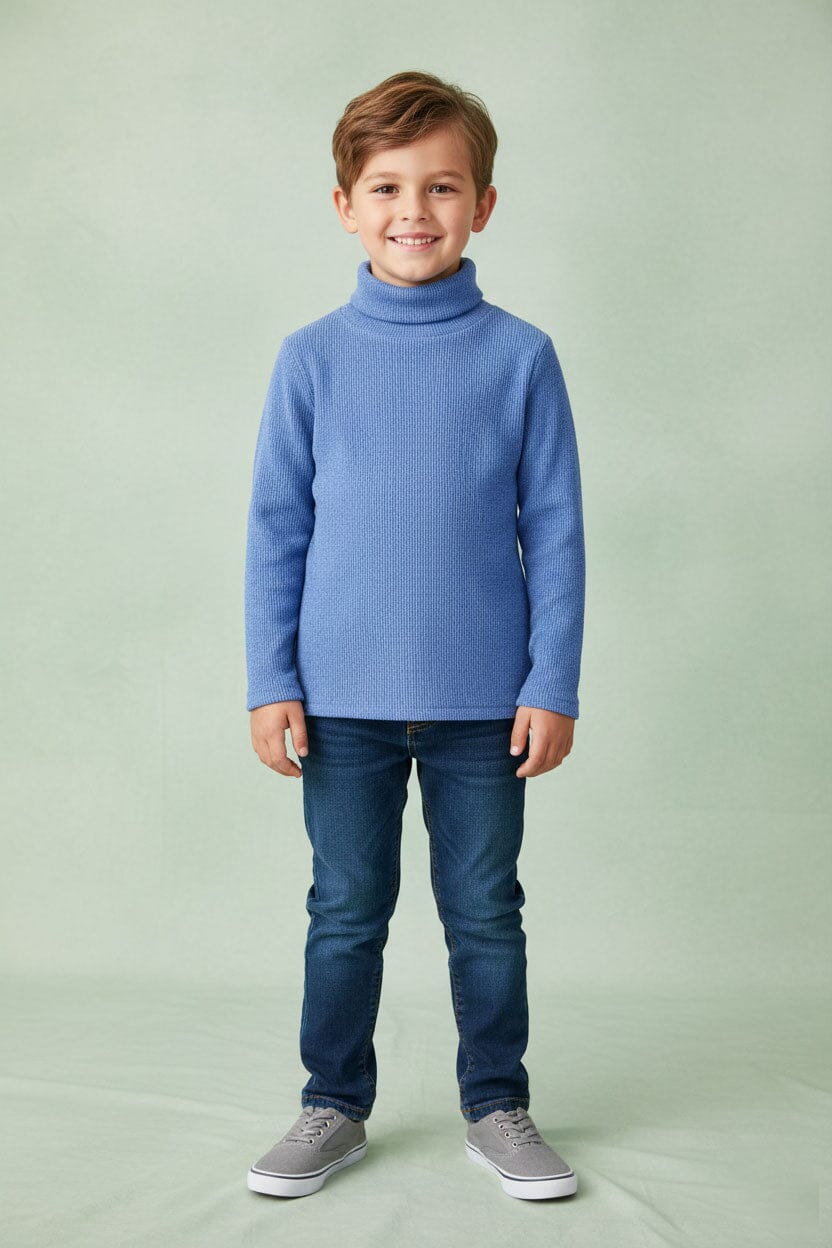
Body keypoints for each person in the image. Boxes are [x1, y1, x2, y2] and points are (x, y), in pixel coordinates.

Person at [244, 69, 585, 1202]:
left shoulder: (520, 356)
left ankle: (497, 1104)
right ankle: (332, 1103)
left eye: (441, 187)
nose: (413, 211)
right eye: (387, 187)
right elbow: (277, 529)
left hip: (486, 705)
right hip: (337, 703)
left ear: (482, 204)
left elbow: (558, 532)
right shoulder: (310, 358)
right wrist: (270, 680)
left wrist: (552, 682)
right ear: (345, 204)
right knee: (345, 912)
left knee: (485, 912)